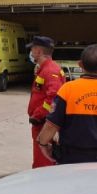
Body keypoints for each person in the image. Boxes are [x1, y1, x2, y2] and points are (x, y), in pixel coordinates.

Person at [37, 44, 97, 164]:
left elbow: (51, 126)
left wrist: (42, 143)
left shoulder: (68, 89)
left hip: (72, 160)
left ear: (80, 65)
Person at [27, 36, 65, 168]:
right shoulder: (44, 69)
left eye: (32, 49)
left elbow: (54, 98)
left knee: (42, 161)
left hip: (43, 123)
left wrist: (38, 115)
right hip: (41, 122)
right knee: (40, 158)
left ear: (38, 51)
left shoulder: (50, 71)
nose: (31, 52)